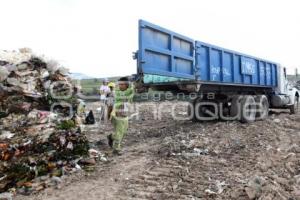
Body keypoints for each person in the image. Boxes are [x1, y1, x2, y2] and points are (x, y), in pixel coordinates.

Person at [107, 77, 134, 155]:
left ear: (127, 85)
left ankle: (111, 137)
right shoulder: (113, 94)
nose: (120, 86)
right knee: (119, 133)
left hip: (125, 115)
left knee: (123, 132)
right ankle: (116, 149)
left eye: (123, 84)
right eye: (119, 84)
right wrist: (108, 116)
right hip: (116, 116)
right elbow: (109, 105)